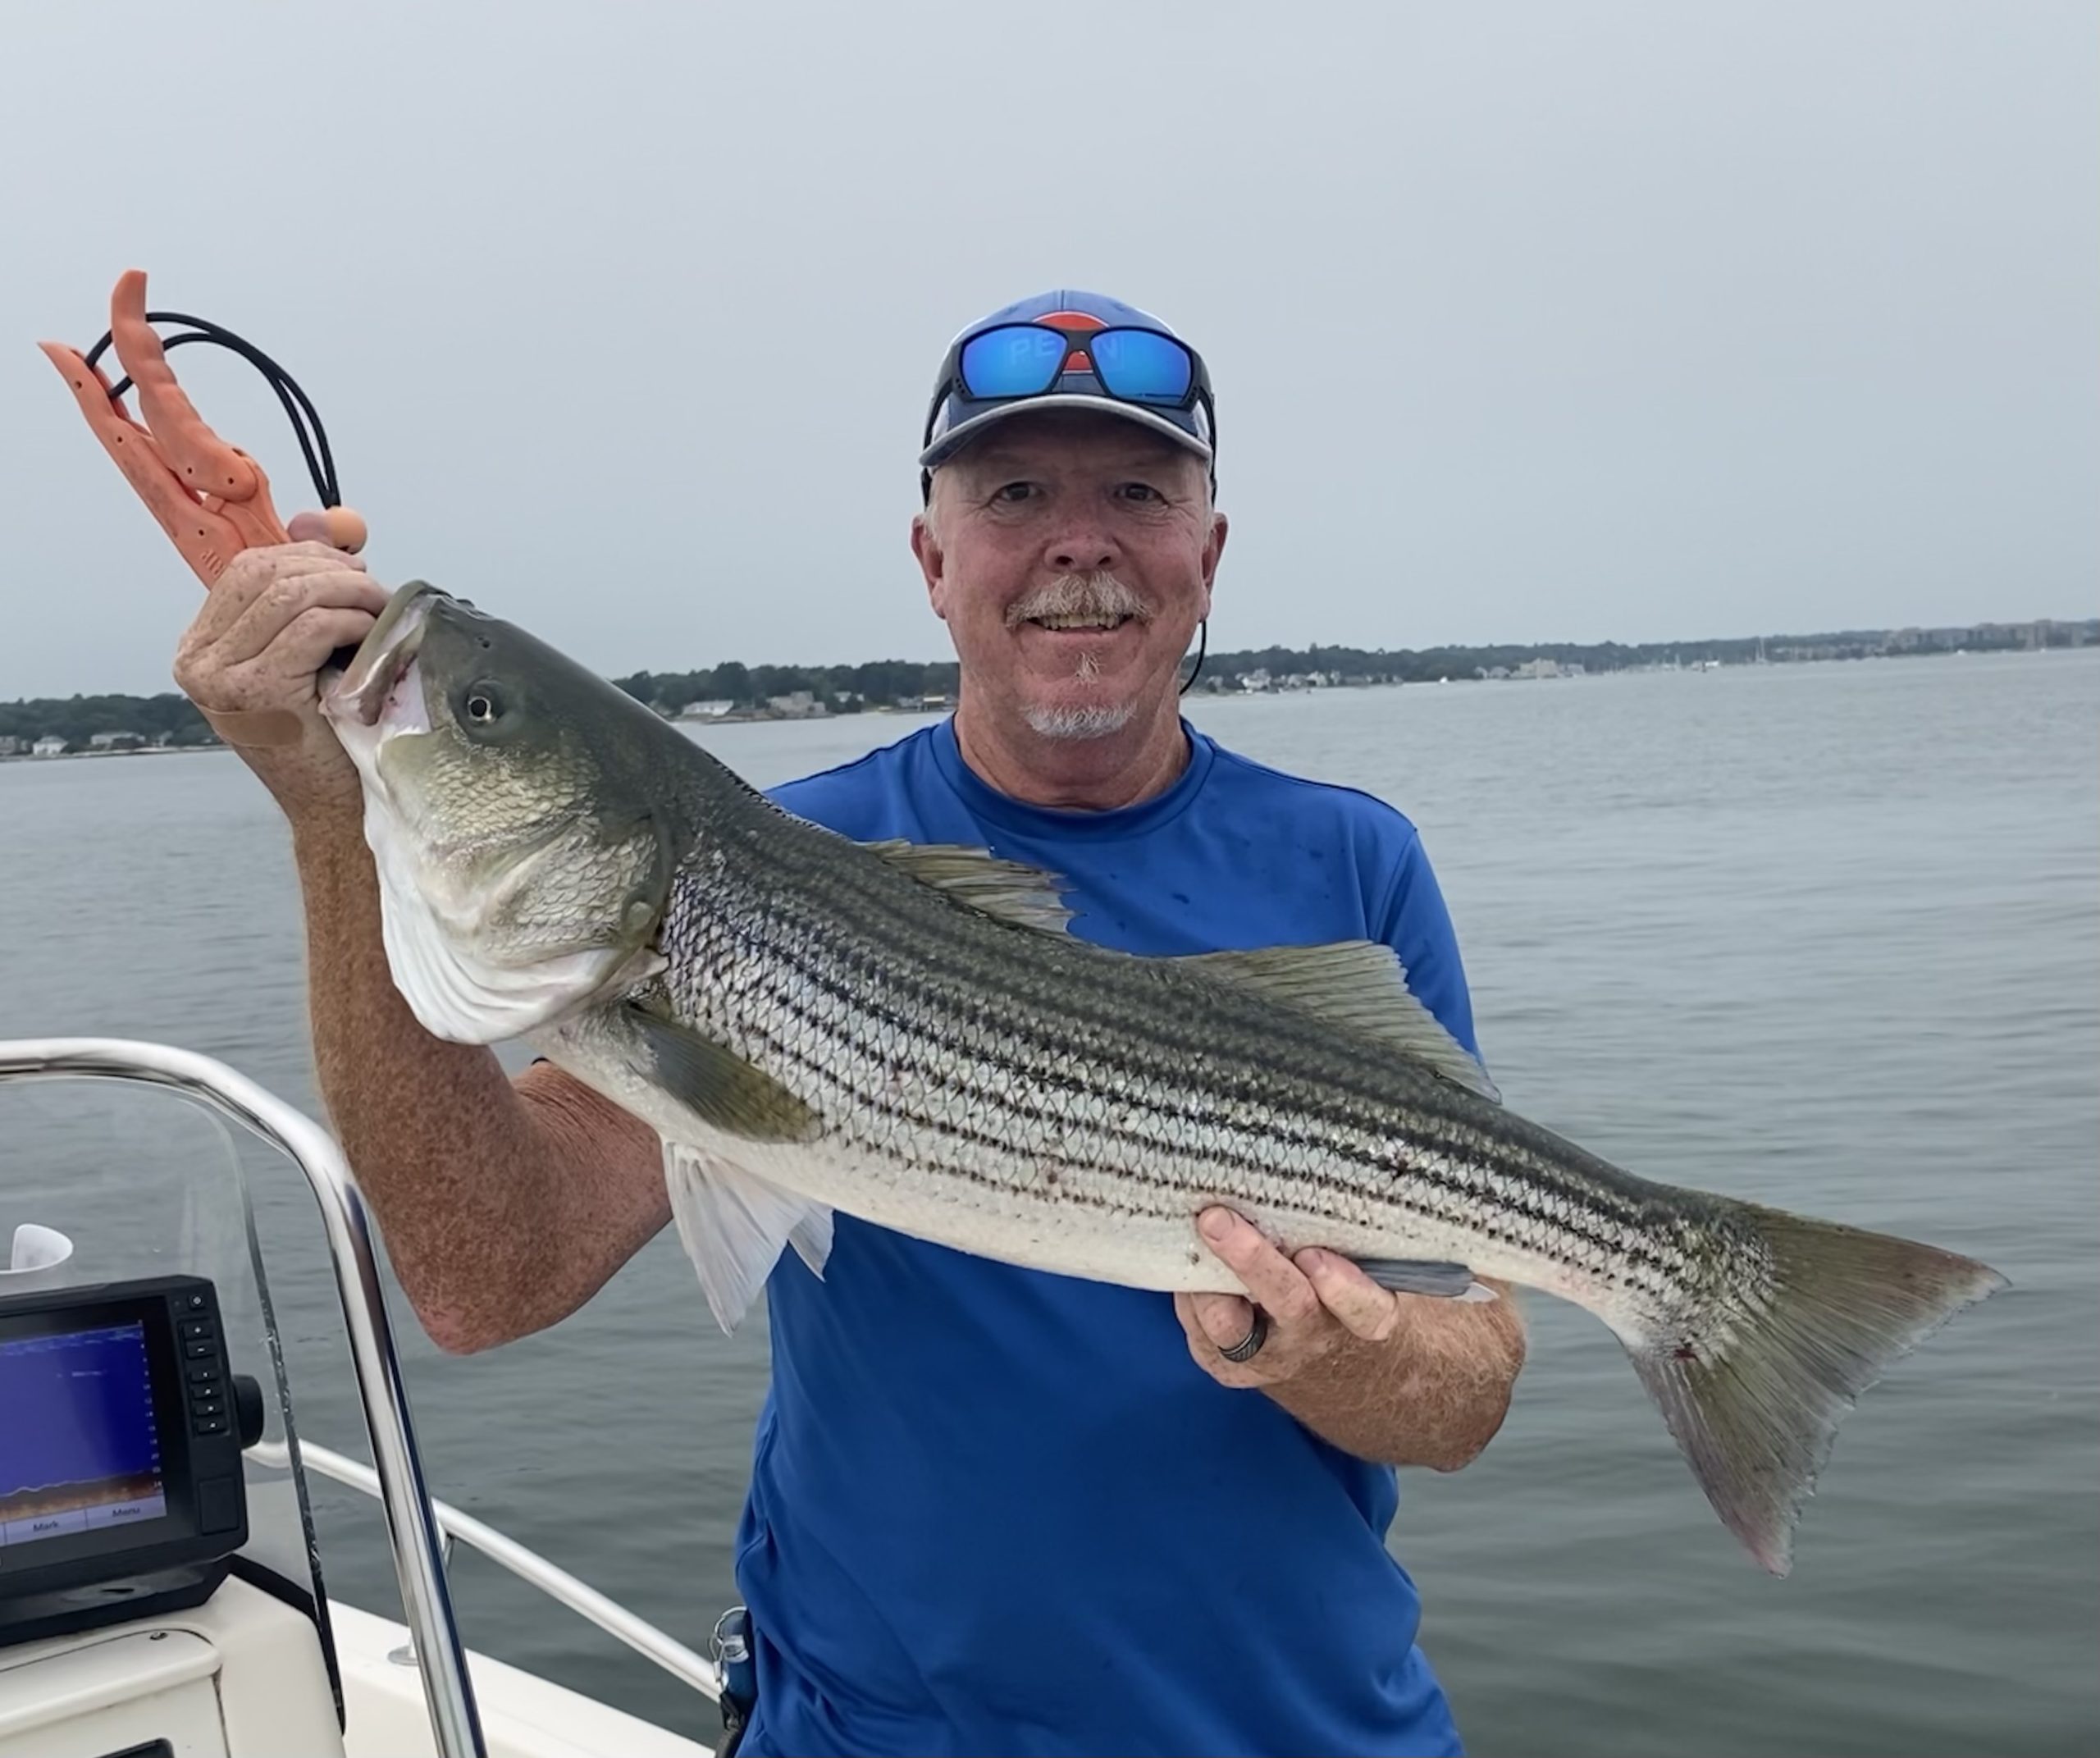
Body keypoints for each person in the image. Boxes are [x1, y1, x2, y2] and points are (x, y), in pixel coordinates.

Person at [172, 287, 1528, 1756]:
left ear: (1207, 553)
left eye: (1138, 492)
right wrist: (328, 806)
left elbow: (1463, 1396)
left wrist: (1335, 1350)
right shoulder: (775, 864)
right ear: (934, 561)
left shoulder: (1350, 866)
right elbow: (488, 1279)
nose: (1082, 540)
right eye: (1016, 493)